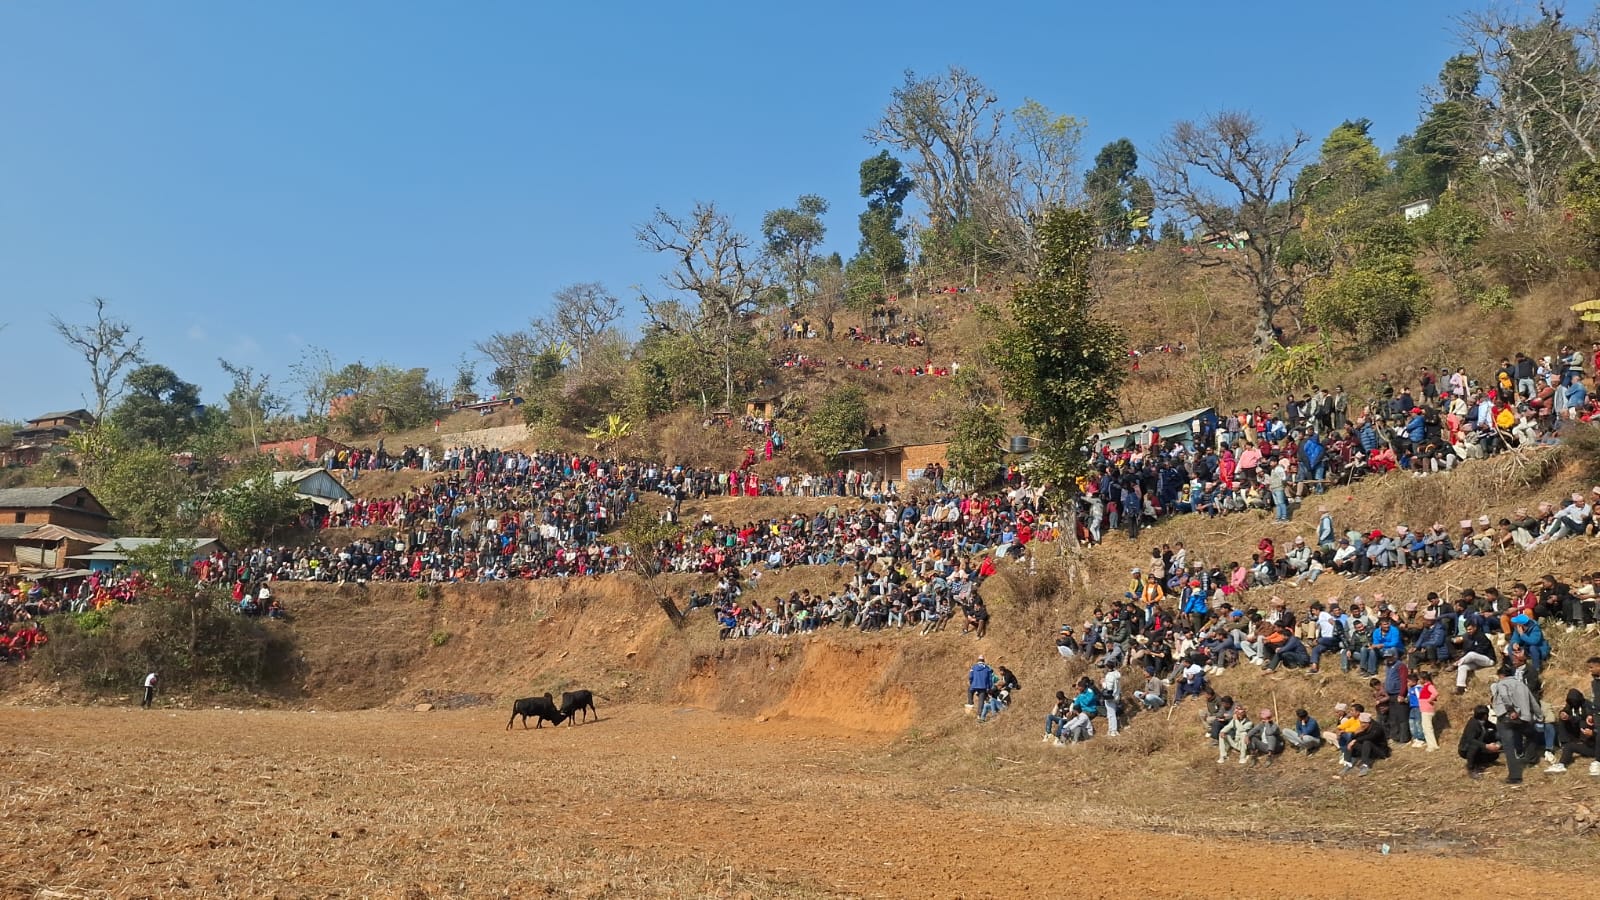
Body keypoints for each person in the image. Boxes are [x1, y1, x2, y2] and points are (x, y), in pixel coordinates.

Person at [1458, 705, 1502, 778]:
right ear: (1485, 715)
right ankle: (1471, 769)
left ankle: (1478, 762)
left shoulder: (1483, 721)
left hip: (1480, 746)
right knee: (1474, 745)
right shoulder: (1473, 725)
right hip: (1465, 749)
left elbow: (1493, 726)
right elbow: (1470, 740)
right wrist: (1486, 746)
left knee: (1494, 755)